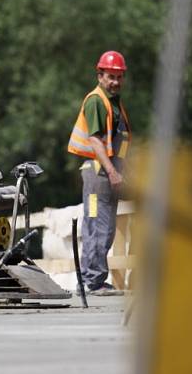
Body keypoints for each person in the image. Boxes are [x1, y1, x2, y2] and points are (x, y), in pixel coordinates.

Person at [68, 50, 131, 296]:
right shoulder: (96, 100)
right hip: (99, 174)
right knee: (97, 225)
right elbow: (95, 140)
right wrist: (113, 172)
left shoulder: (114, 103)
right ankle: (91, 282)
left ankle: (94, 279)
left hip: (108, 173)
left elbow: (119, 143)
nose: (115, 81)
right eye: (110, 76)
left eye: (119, 77)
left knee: (106, 228)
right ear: (100, 75)